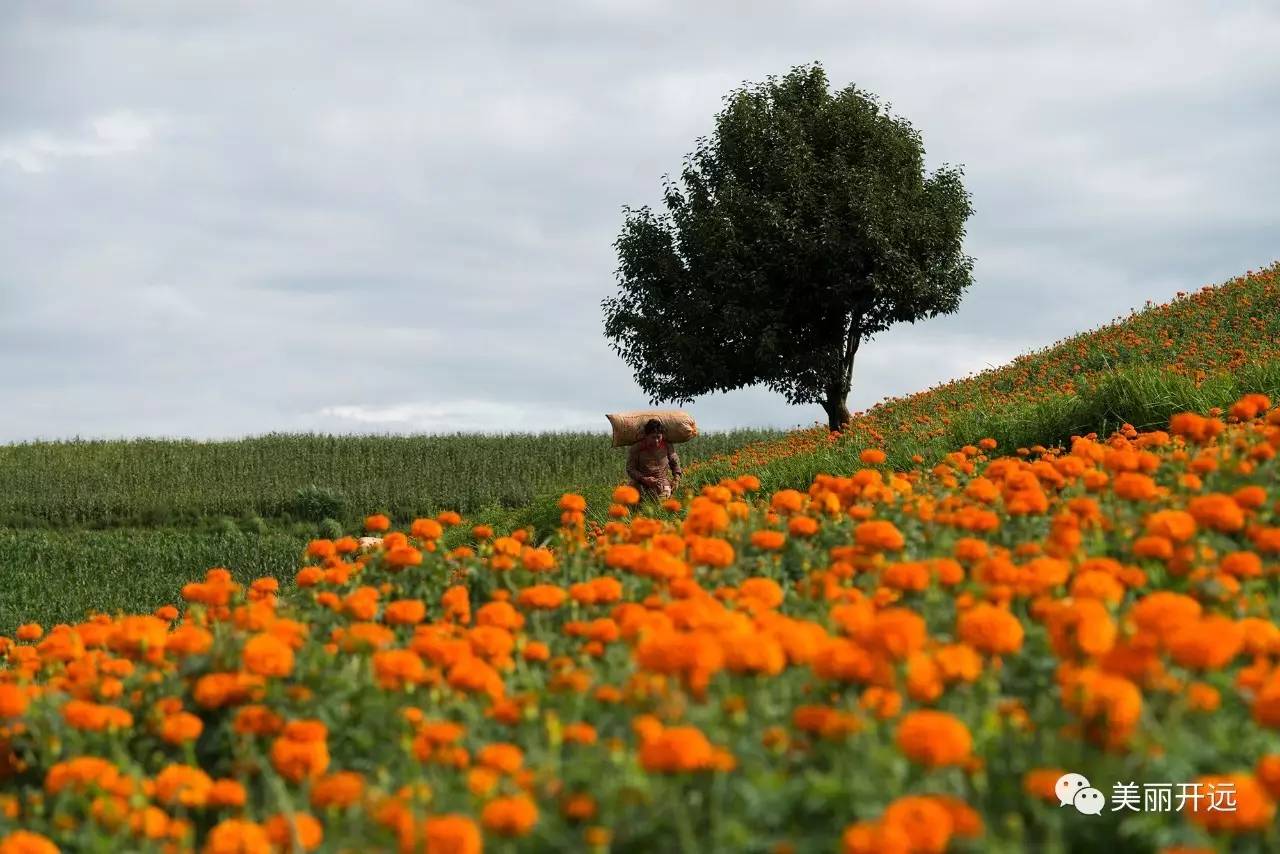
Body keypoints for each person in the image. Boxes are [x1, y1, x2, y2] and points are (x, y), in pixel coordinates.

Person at [626, 418, 682, 499]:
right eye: (653, 437)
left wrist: (676, 478)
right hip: (641, 484)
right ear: (646, 436)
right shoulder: (637, 448)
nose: (656, 441)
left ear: (662, 436)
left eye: (658, 437)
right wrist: (644, 479)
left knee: (662, 506)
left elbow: (675, 462)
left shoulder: (667, 446)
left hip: (662, 484)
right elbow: (630, 469)